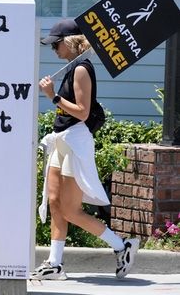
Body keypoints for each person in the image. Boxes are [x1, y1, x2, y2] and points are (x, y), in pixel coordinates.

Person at [32, 19, 138, 280]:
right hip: (61, 137)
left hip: (75, 140)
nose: (54, 49)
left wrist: (53, 96)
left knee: (69, 209)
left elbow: (83, 111)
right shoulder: (70, 68)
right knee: (55, 203)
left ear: (69, 42)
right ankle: (54, 264)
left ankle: (121, 245)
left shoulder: (81, 69)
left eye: (56, 44)